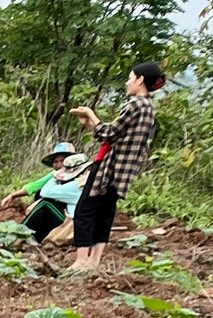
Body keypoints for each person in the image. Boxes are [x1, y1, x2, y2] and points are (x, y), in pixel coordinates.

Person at [68, 60, 167, 272]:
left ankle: (81, 261)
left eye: (130, 78)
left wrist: (91, 115)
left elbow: (109, 133)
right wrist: (91, 125)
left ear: (140, 80)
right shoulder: (149, 107)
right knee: (105, 213)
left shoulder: (135, 105)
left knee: (85, 210)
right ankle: (94, 262)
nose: (127, 83)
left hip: (109, 168)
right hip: (124, 172)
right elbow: (117, 136)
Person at [22, 142, 87, 243]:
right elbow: (36, 186)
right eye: (56, 162)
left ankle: (19, 235)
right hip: (73, 218)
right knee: (44, 201)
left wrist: (58, 175)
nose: (60, 165)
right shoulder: (76, 180)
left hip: (74, 223)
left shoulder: (77, 184)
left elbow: (46, 191)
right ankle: (35, 237)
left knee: (46, 203)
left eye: (63, 161)